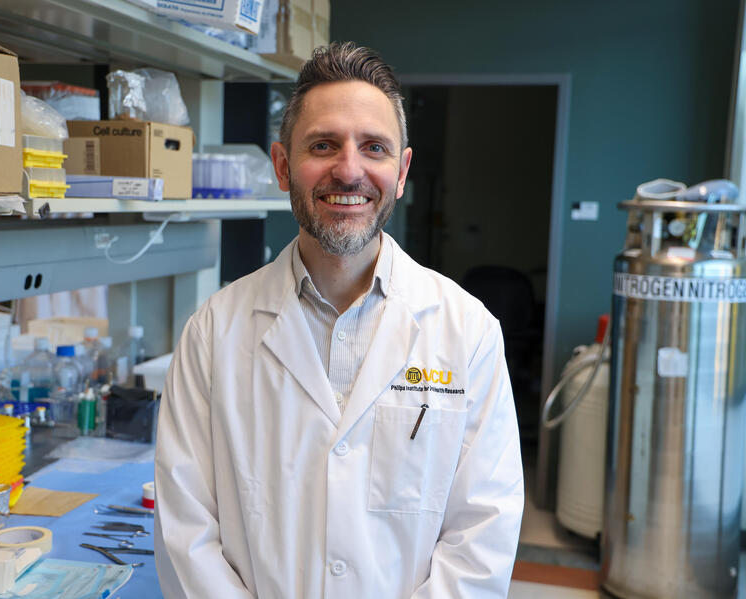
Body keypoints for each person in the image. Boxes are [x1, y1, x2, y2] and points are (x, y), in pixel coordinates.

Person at [154, 41, 524, 599]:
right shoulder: (213, 332)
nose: (349, 171)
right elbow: (185, 532)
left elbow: (483, 534)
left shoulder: (468, 333)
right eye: (323, 145)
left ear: (401, 171)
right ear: (283, 166)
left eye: (373, 148)